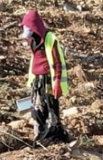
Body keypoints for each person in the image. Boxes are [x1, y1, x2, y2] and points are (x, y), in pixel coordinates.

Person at [21, 10, 70, 143]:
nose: (26, 30)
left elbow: (58, 61)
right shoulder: (32, 39)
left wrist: (57, 82)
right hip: (37, 80)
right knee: (36, 110)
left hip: (48, 80)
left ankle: (52, 136)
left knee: (49, 109)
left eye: (28, 27)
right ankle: (41, 136)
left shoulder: (49, 38)